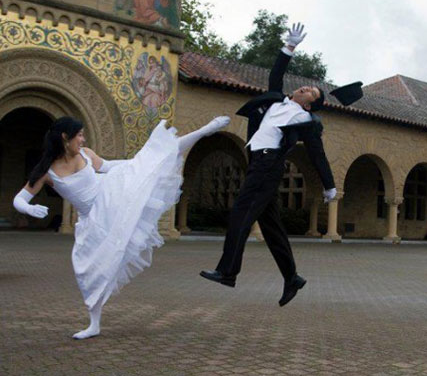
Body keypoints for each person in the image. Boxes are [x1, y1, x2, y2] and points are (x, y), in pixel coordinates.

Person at [13, 115, 230, 339]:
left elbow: (106, 166)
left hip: (111, 196)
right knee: (86, 269)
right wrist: (29, 209)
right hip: (93, 219)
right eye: (79, 135)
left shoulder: (86, 155)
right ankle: (94, 323)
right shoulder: (47, 172)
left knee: (157, 157)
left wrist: (139, 164)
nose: (83, 139)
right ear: (64, 138)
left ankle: (205, 129)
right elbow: (19, 199)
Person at [200, 23, 337, 307]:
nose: (306, 87)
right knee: (272, 227)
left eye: (311, 91)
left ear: (310, 105)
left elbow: (317, 153)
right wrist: (289, 48)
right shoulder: (276, 100)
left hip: (268, 166)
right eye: (307, 86)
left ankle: (227, 272)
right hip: (257, 164)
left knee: (240, 213)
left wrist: (329, 185)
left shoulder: (304, 121)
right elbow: (277, 74)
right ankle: (292, 277)